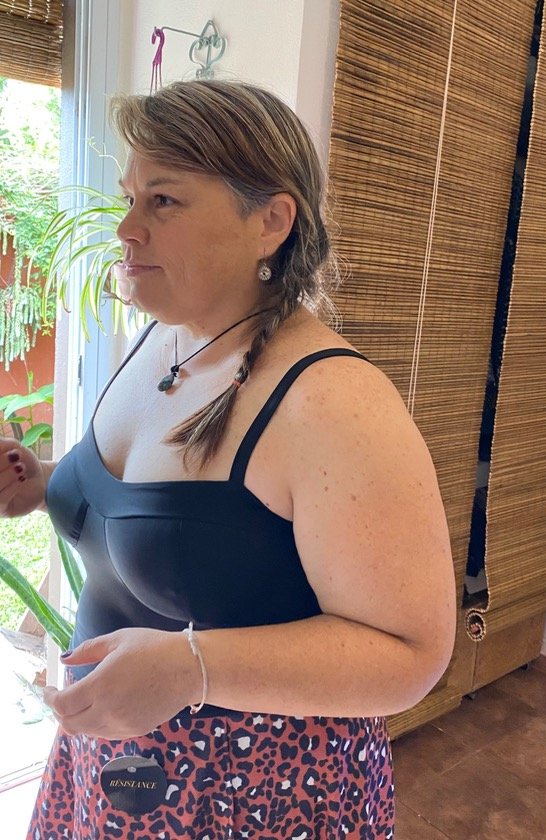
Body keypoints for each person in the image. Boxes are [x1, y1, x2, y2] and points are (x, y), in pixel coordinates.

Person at [0, 80, 456, 839]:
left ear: (271, 221)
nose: (125, 229)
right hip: (110, 765)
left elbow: (411, 656)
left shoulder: (332, 403)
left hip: (253, 794)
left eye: (163, 201)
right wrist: (40, 484)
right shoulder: (164, 338)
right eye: (130, 198)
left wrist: (190, 668)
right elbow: (157, 509)